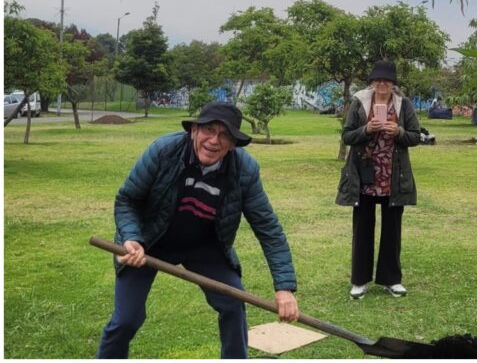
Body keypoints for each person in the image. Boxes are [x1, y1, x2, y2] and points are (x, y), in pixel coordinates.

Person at [102, 98, 301, 358]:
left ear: (233, 144)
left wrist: (284, 288)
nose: (214, 140)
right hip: (148, 242)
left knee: (233, 303)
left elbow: (268, 227)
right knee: (126, 319)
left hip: (204, 246)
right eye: (209, 130)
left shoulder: (244, 169)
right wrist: (131, 238)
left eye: (225, 135)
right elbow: (127, 199)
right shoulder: (164, 151)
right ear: (194, 130)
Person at [338, 61, 421, 301]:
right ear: (372, 82)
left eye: (387, 80)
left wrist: (399, 132)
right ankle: (360, 280)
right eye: (378, 80)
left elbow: (415, 137)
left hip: (394, 178)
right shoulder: (360, 102)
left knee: (392, 230)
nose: (382, 84)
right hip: (364, 176)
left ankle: (391, 280)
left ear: (394, 84)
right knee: (362, 229)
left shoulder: (403, 104)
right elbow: (347, 135)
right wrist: (366, 129)